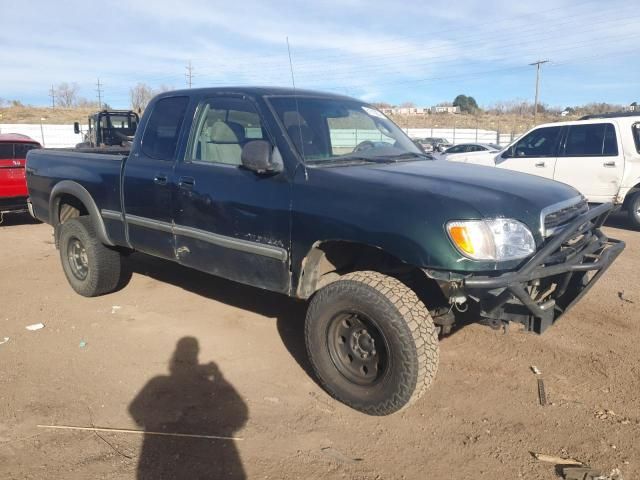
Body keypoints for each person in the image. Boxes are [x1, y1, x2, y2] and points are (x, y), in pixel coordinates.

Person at [129, 337, 248, 479]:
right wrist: (168, 415)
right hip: (171, 459)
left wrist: (218, 378)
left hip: (201, 460)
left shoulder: (204, 385)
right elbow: (136, 410)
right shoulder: (159, 382)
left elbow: (238, 413)